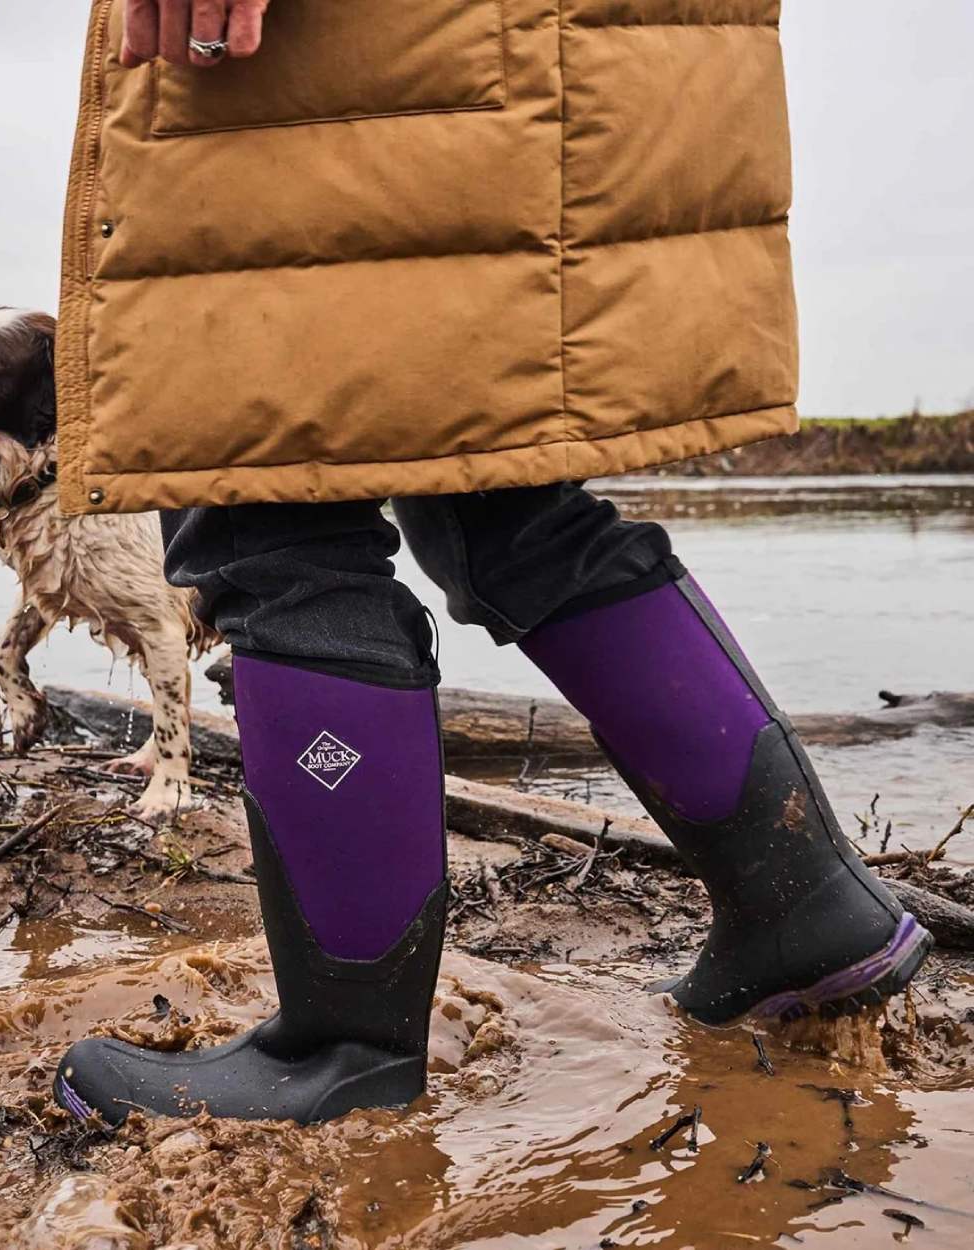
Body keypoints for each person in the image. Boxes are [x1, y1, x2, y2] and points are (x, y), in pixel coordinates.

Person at [53, 0, 932, 1127]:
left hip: (379, 57)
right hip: (528, 62)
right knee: (500, 493)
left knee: (267, 503)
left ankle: (340, 1050)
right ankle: (801, 906)